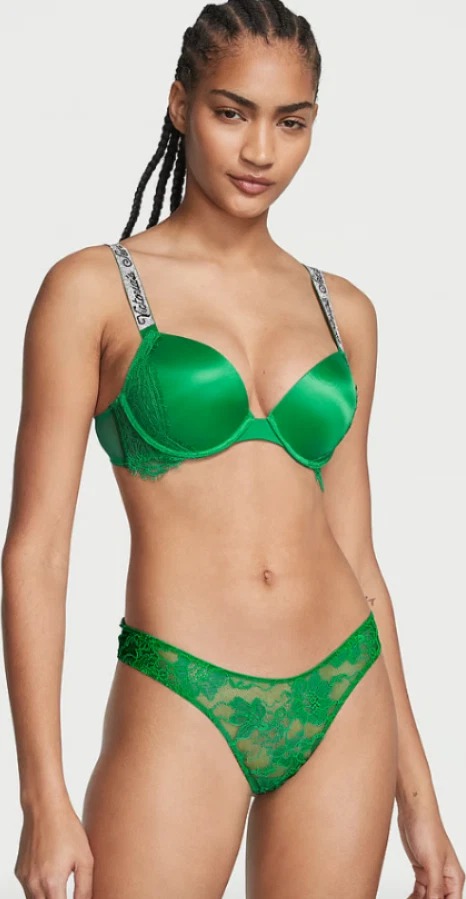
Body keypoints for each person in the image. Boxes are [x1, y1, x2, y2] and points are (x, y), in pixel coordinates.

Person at [2, 1, 464, 897]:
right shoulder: (92, 291)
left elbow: (358, 552)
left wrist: (421, 795)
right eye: (231, 112)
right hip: (182, 691)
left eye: (291, 123)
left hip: (345, 692)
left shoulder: (345, 310)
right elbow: (38, 550)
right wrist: (40, 793)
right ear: (180, 104)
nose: (260, 151)